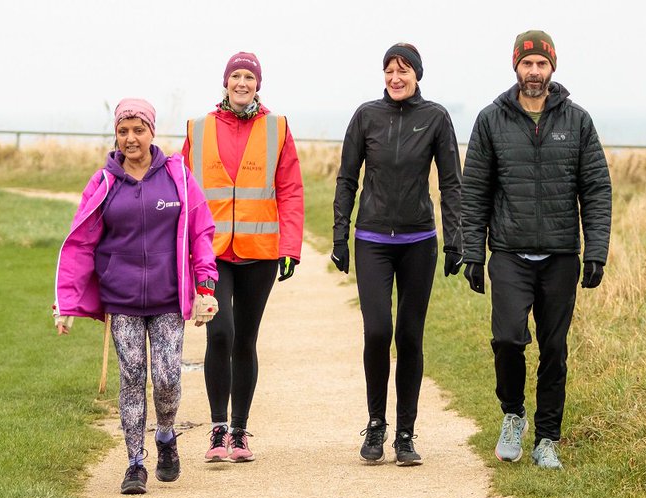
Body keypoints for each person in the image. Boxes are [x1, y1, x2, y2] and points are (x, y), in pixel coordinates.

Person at [460, 30, 612, 470]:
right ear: (516, 67)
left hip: (561, 254)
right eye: (527, 64)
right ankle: (513, 414)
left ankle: (547, 438)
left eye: (541, 64)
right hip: (509, 251)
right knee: (507, 339)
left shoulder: (577, 121)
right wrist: (474, 252)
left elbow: (596, 189)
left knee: (554, 349)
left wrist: (596, 249)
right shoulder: (491, 120)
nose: (534, 72)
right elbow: (475, 191)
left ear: (552, 68)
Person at [53, 98, 219, 494]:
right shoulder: (104, 182)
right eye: (123, 130)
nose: (130, 138)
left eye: (138, 130)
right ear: (116, 134)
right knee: (131, 378)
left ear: (151, 132)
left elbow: (201, 232)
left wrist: (205, 287)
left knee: (165, 379)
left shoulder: (177, 176)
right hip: (122, 299)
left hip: (167, 299)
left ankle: (165, 436)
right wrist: (67, 302)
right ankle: (134, 463)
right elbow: (80, 244)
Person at [332, 43, 464, 465]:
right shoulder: (366, 116)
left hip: (418, 242)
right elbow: (347, 178)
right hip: (372, 239)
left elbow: (452, 183)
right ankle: (376, 424)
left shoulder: (436, 118)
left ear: (417, 75)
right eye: (389, 70)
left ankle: (405, 433)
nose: (395, 77)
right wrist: (339, 236)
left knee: (409, 336)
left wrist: (456, 238)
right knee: (377, 331)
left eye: (403, 70)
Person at [181, 51, 304, 462]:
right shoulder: (198, 129)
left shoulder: (277, 127)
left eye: (249, 76)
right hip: (211, 253)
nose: (242, 82)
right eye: (235, 75)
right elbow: (183, 192)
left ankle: (240, 432)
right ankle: (217, 430)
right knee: (220, 333)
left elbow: (289, 189)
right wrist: (180, 249)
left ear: (258, 84)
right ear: (225, 82)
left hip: (260, 252)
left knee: (246, 340)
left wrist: (290, 247)